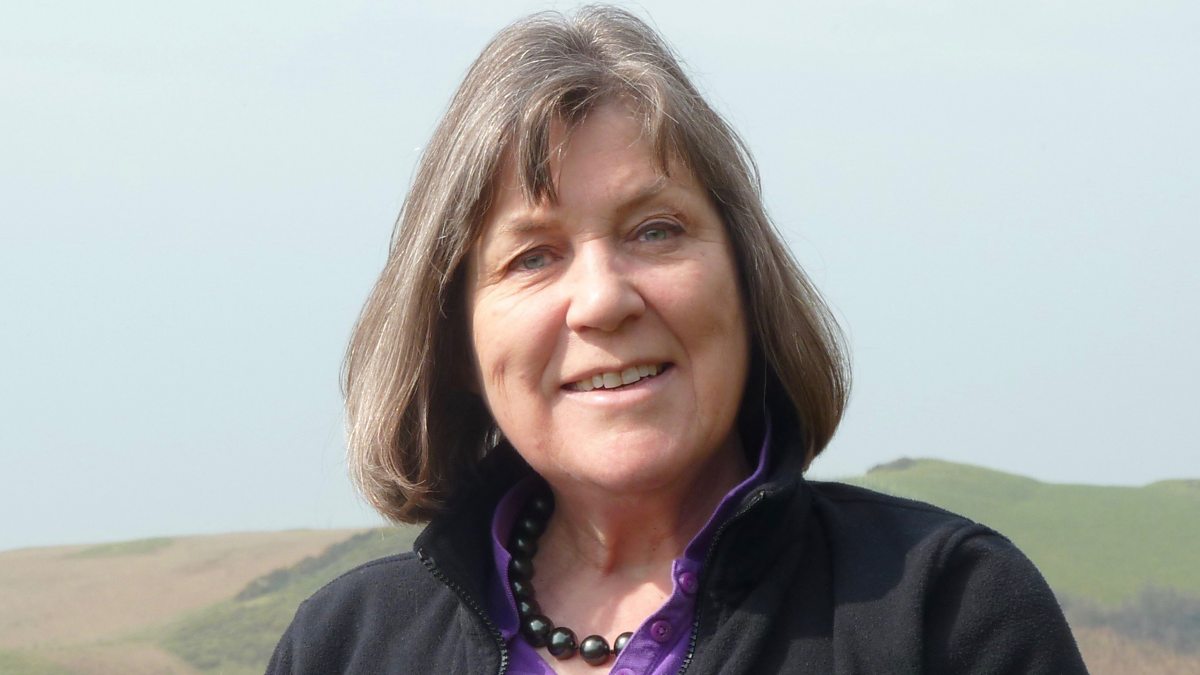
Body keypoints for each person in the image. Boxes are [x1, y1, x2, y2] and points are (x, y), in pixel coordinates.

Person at [268, 6, 1088, 674]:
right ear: (454, 338)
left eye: (656, 231)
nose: (602, 300)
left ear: (746, 277)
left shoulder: (946, 612)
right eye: (534, 256)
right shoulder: (345, 647)